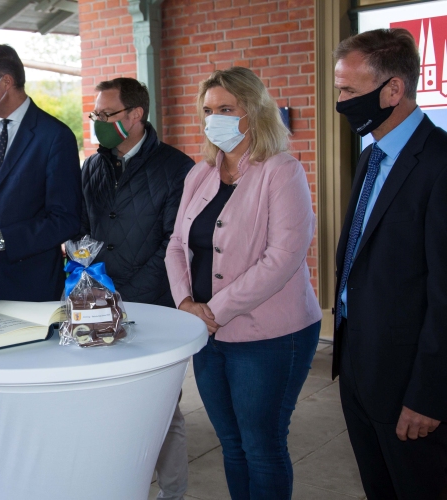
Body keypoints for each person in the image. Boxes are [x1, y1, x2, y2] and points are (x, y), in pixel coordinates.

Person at [165, 67, 322, 499]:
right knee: (231, 445)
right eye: (208, 110)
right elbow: (177, 245)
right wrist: (185, 305)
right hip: (206, 333)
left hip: (269, 335)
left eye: (226, 109)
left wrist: (214, 310)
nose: (213, 118)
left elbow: (283, 258)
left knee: (262, 446)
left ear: (252, 113)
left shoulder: (281, 171)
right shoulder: (200, 174)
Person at [332, 28, 447, 499]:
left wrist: (429, 395)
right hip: (359, 365)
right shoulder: (372, 155)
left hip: (409, 384)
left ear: (393, 89)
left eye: (349, 91)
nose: (340, 101)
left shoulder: (439, 164)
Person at [80, 77, 194, 500]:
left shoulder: (176, 168)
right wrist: (90, 288)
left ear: (135, 115)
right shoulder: (94, 166)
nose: (99, 123)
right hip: (96, 305)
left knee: (162, 407)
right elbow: (83, 232)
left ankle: (172, 493)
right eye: (95, 115)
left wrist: (126, 297)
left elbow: (174, 244)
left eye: (106, 115)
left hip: (153, 305)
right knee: (108, 404)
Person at [0, 42, 81, 301]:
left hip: (30, 286)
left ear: (6, 82)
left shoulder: (55, 136)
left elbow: (65, 219)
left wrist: (1, 240)